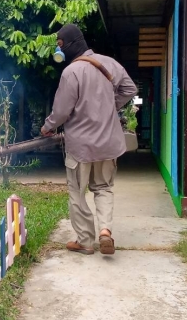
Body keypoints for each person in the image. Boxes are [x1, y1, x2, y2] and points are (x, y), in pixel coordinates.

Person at [40, 24, 137, 255]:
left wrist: (47, 127)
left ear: (72, 43)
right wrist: (109, 107)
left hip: (81, 146)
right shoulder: (110, 63)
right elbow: (130, 89)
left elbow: (61, 111)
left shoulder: (71, 72)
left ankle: (85, 241)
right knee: (103, 188)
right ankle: (105, 231)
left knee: (77, 192)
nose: (59, 50)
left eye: (61, 45)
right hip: (108, 142)